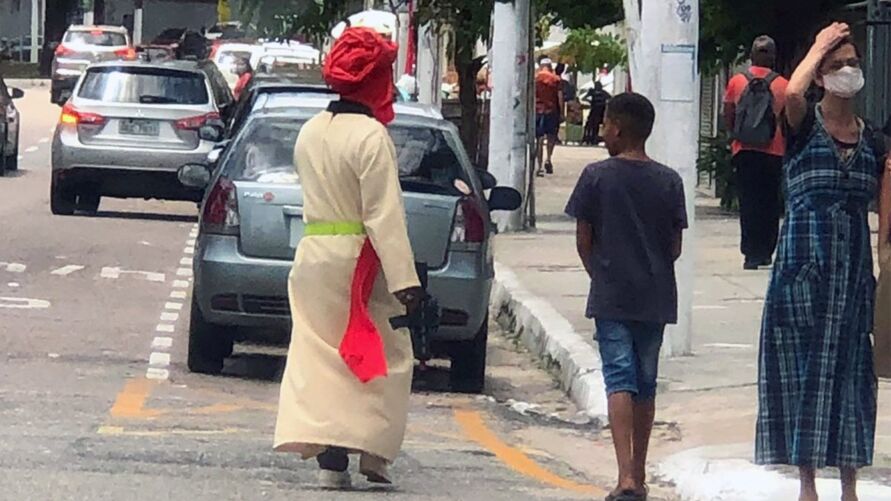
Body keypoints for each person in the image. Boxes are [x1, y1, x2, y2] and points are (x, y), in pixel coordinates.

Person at [274, 27, 423, 489]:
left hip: (314, 255)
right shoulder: (372, 136)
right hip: (362, 260)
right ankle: (374, 455)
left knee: (321, 356)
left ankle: (329, 461)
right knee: (383, 355)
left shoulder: (311, 131)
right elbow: (383, 213)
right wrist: (406, 279)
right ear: (375, 80)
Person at [757, 23, 888, 501]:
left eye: (853, 64)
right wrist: (818, 47)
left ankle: (850, 485)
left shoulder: (873, 140)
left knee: (853, 378)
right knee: (802, 372)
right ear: (820, 76)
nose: (847, 72)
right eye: (837, 66)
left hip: (853, 273)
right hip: (801, 270)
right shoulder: (803, 124)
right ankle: (808, 484)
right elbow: (790, 91)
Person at [565, 93, 688, 501]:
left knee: (619, 378)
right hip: (656, 296)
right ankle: (640, 470)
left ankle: (625, 478)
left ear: (617, 128)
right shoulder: (670, 180)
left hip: (612, 295)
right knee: (646, 383)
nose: (601, 133)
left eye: (604, 126)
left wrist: (600, 274)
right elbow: (674, 245)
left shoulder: (596, 176)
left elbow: (584, 240)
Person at [723, 36, 790, 270]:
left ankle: (750, 253)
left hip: (744, 150)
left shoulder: (737, 82)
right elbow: (788, 120)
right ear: (773, 57)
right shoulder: (783, 85)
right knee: (770, 202)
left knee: (749, 202)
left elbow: (728, 114)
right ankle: (765, 251)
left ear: (751, 55)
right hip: (774, 151)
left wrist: (736, 135)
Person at [535, 57, 563, 176]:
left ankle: (539, 165)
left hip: (538, 111)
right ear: (550, 66)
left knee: (539, 139)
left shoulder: (536, 78)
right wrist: (561, 112)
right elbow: (560, 96)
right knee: (551, 137)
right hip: (552, 111)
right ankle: (549, 159)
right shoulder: (556, 79)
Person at [584, 81, 611, 145]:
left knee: (594, 125)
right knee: (591, 125)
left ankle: (593, 138)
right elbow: (584, 97)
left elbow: (610, 98)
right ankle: (590, 138)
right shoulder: (593, 92)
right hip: (595, 111)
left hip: (599, 111)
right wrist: (590, 101)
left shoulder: (603, 93)